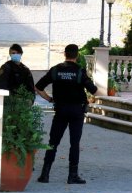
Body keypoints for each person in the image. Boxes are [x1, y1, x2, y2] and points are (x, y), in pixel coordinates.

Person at [35, 44, 98, 184]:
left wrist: (50, 99)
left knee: (53, 142)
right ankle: (72, 175)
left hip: (60, 110)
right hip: (76, 111)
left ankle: (45, 175)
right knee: (74, 143)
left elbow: (38, 87)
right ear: (77, 55)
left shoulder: (55, 70)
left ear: (65, 54)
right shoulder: (80, 71)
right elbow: (94, 90)